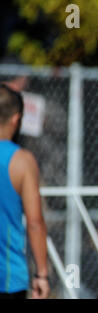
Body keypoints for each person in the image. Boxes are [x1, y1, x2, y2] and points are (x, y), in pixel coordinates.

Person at [0, 83, 49, 299]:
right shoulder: (21, 161)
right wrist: (42, 274)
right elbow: (35, 223)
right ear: (16, 119)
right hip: (8, 276)